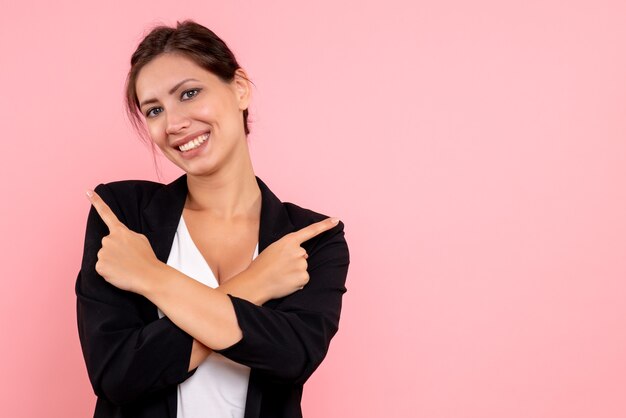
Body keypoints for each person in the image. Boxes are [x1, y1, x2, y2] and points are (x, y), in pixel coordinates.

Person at [75, 19, 350, 418]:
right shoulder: (122, 214)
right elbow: (117, 374)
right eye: (154, 110)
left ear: (239, 88)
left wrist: (149, 275)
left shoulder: (310, 239)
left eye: (189, 93)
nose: (173, 124)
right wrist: (257, 283)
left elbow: (291, 359)